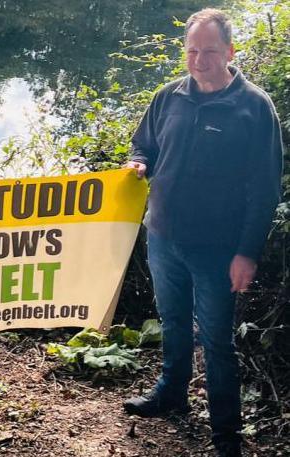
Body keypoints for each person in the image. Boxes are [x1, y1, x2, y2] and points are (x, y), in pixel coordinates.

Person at [123, 9, 283, 457]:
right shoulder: (168, 97)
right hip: (162, 237)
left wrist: (247, 253)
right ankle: (171, 394)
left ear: (230, 52)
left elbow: (265, 189)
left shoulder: (254, 107)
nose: (199, 60)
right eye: (192, 51)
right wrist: (139, 164)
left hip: (218, 249)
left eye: (210, 51)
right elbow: (145, 145)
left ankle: (226, 434)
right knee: (173, 322)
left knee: (216, 341)